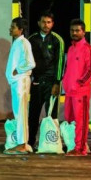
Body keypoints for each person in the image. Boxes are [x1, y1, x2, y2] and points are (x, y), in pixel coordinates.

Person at [26, 11, 64, 150]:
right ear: (38, 23)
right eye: (43, 22)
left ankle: (50, 143)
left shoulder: (57, 40)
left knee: (51, 115)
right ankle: (30, 143)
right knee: (33, 115)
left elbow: (60, 63)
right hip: (36, 83)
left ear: (52, 24)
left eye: (49, 22)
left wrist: (57, 82)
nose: (46, 25)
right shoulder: (31, 39)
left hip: (50, 83)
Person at [63, 19, 91, 157]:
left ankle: (80, 148)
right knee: (70, 120)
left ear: (83, 32)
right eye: (72, 30)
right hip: (69, 91)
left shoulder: (88, 49)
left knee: (81, 121)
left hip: (80, 92)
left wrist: (80, 83)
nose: (74, 33)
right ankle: (74, 145)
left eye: (77, 30)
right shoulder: (71, 49)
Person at [4, 17, 36, 155]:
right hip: (16, 81)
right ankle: (23, 143)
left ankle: (22, 144)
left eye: (13, 26)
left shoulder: (24, 43)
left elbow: (31, 63)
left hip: (21, 81)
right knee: (19, 113)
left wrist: (18, 70)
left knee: (21, 113)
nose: (10, 28)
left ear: (20, 29)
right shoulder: (17, 43)